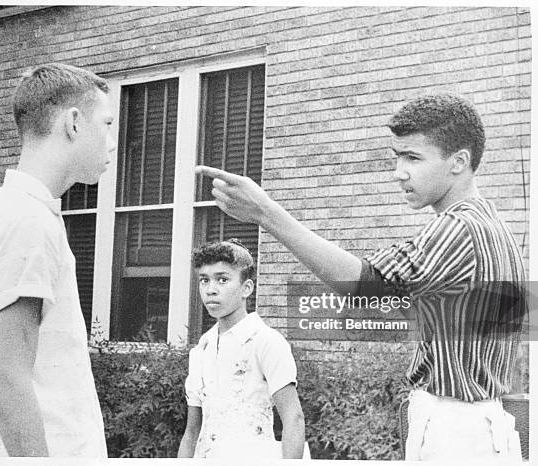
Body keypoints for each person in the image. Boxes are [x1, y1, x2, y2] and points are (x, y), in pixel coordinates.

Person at [196, 93, 525, 461]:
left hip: (455, 430)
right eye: (397, 156)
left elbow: (366, 285)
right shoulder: (493, 225)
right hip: (482, 423)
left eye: (413, 157)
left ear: (459, 162)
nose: (398, 171)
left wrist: (266, 213)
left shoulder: (457, 228)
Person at [0, 62, 116, 457]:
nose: (111, 141)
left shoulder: (21, 213)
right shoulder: (26, 222)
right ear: (73, 123)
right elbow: (8, 381)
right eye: (106, 124)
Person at [178, 239, 307, 459]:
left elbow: (293, 419)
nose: (211, 290)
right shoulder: (202, 349)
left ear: (246, 288)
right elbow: (192, 431)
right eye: (204, 280)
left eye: (222, 280)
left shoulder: (265, 341)